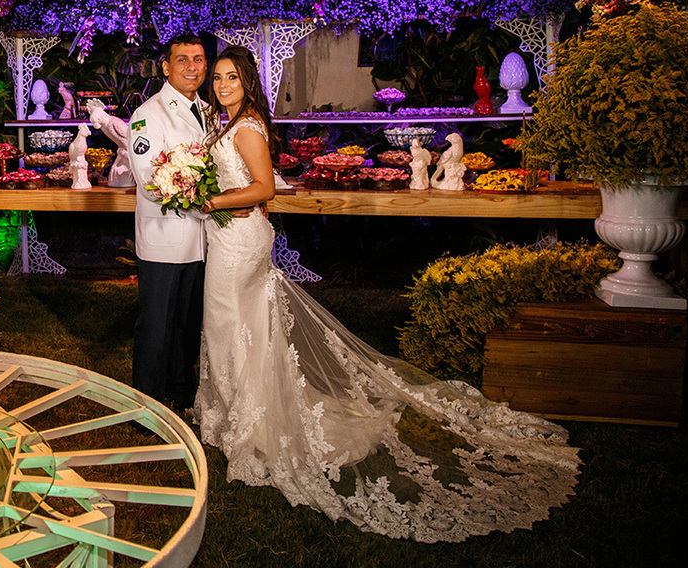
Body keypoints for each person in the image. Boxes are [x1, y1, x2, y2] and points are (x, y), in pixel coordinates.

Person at [195, 45, 580, 543]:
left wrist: (210, 199)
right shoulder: (224, 123)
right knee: (238, 324)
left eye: (232, 77)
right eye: (219, 78)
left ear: (249, 82)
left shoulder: (245, 126)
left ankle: (249, 419)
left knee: (232, 321)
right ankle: (237, 410)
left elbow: (266, 188)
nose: (223, 85)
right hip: (228, 234)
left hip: (238, 240)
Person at [126, 34, 211, 412]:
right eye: (182, 60)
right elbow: (150, 179)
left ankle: (181, 390)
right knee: (157, 325)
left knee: (188, 324)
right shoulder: (148, 114)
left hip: (201, 238)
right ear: (166, 67)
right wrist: (210, 199)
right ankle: (147, 402)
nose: (192, 67)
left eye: (198, 59)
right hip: (164, 234)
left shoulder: (209, 111)